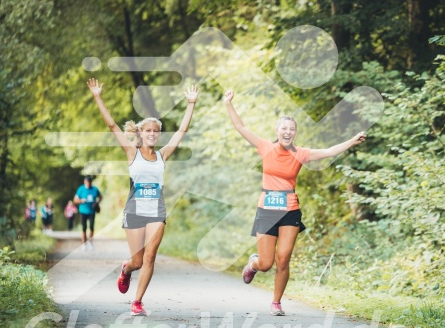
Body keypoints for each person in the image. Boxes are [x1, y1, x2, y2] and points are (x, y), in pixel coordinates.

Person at [223, 89, 366, 316]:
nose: (288, 132)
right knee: (267, 262)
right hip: (266, 210)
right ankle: (253, 264)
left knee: (284, 258)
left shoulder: (301, 153)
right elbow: (241, 127)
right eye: (284, 128)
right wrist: (228, 103)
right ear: (277, 131)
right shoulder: (265, 147)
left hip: (290, 210)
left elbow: (329, 151)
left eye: (292, 129)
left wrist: (352, 141)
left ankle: (276, 302)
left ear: (295, 133)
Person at [87, 78, 199, 316]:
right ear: (140, 132)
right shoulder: (131, 153)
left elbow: (181, 131)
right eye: (148, 130)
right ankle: (126, 270)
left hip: (156, 211)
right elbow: (112, 127)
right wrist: (98, 96)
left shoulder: (162, 155)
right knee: (137, 261)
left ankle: (137, 302)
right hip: (135, 211)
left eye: (156, 131)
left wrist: (191, 103)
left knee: (150, 256)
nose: (152, 134)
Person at [73, 176, 102, 251]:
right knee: (84, 228)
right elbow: (75, 200)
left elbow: (100, 197)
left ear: (91, 182)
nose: (88, 184)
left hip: (92, 211)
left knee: (91, 227)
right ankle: (84, 244)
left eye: (89, 182)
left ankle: (90, 243)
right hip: (83, 211)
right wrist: (80, 201)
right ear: (84, 182)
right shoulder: (81, 189)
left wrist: (97, 203)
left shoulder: (95, 189)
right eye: (87, 182)